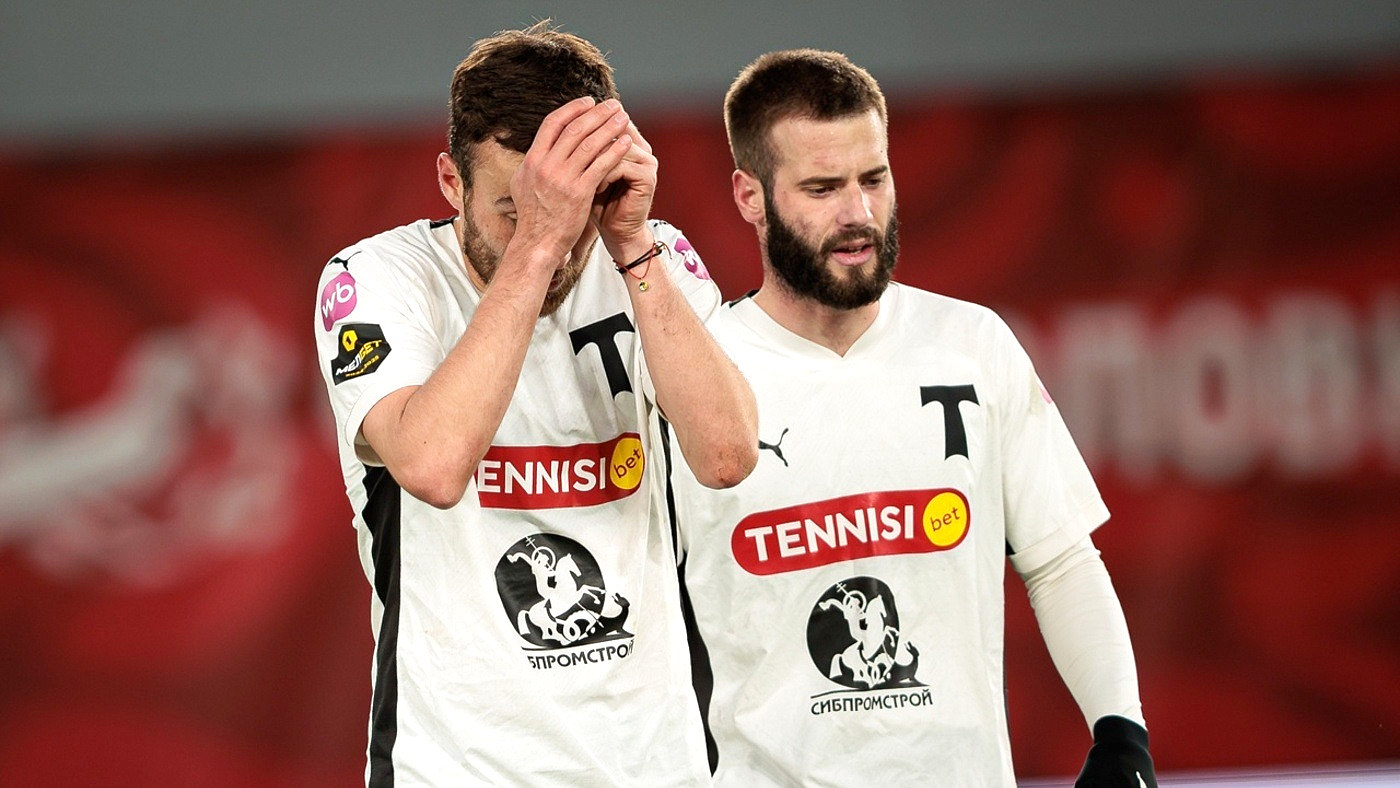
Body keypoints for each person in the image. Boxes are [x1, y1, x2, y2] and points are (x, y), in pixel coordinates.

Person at [664, 49, 1157, 787]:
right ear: (749, 196)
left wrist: (1121, 734)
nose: (858, 214)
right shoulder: (693, 377)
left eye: (874, 178)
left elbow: (1060, 561)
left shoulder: (973, 343)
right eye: (823, 188)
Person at [314, 22, 758, 786]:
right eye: (514, 210)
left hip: (655, 765)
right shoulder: (376, 277)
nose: (553, 236)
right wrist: (542, 241)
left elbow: (727, 455)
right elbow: (432, 466)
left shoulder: (649, 255)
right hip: (458, 770)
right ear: (450, 182)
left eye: (570, 207)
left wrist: (630, 239)